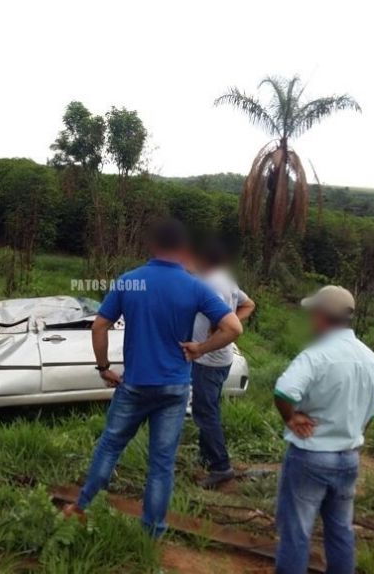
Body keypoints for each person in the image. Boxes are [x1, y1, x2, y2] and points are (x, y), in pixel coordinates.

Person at [63, 219, 243, 537]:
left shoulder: (132, 282)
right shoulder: (195, 286)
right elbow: (234, 327)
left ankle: (82, 508)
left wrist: (104, 367)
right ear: (184, 249)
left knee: (109, 446)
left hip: (135, 384)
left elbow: (99, 326)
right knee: (161, 463)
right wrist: (200, 349)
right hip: (175, 387)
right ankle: (153, 533)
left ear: (153, 246)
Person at [272, 285, 374, 574]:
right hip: (348, 458)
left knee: (296, 531)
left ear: (322, 316)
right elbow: (371, 413)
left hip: (311, 455)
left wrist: (291, 418)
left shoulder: (317, 355)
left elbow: (284, 392)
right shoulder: (372, 360)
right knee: (341, 531)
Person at [190, 241, 256, 489]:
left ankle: (221, 467)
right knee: (209, 409)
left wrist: (219, 327)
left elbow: (230, 321)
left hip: (209, 359)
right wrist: (227, 321)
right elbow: (248, 305)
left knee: (205, 413)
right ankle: (207, 456)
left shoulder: (212, 284)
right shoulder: (224, 279)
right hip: (221, 358)